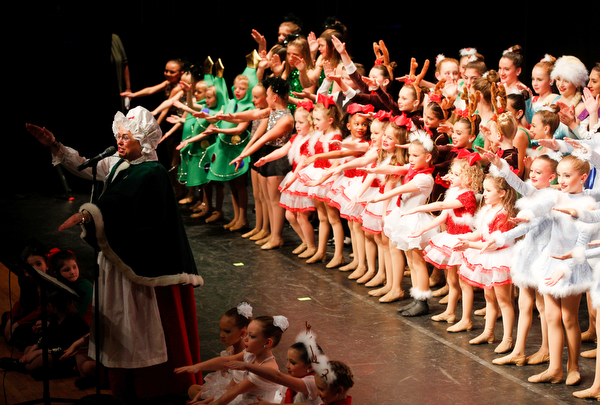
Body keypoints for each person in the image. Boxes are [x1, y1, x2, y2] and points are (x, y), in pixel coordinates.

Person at [25, 106, 204, 404]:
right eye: (118, 136)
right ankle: (123, 384)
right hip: (116, 259)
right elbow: (83, 165)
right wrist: (54, 145)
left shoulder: (152, 170)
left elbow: (123, 200)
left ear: (143, 141)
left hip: (139, 264)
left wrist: (87, 215)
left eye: (126, 137)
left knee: (139, 321)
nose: (119, 141)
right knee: (118, 319)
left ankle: (152, 388)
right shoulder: (120, 164)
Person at [484, 153, 559, 366]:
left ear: (552, 177)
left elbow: (530, 222)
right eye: (532, 170)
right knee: (524, 303)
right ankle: (519, 350)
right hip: (528, 252)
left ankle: (546, 350)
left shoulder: (551, 197)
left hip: (542, 254)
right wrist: (499, 164)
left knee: (543, 306)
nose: (533, 175)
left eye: (539, 172)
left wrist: (502, 237)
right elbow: (516, 182)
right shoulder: (534, 192)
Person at [402, 157, 483, 324]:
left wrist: (417, 208)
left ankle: (466, 319)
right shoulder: (454, 192)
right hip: (451, 239)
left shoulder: (467, 196)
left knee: (464, 284)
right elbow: (443, 217)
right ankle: (450, 312)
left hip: (463, 241)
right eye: (451, 172)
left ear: (468, 179)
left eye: (455, 174)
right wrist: (422, 230)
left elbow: (440, 207)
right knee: (451, 280)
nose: (450, 176)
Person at [371, 131, 439, 313]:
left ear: (428, 157)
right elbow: (394, 170)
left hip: (414, 220)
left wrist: (380, 198)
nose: (411, 159)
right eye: (410, 155)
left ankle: (423, 301)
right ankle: (417, 298)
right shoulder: (413, 171)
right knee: (410, 259)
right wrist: (374, 170)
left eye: (415, 155)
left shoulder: (425, 178)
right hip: (405, 217)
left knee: (417, 262)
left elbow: (401, 188)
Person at [453, 174, 517, 353]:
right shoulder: (488, 209)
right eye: (484, 189)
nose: (484, 194)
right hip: (485, 253)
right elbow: (481, 233)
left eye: (488, 190)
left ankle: (508, 338)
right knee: (489, 297)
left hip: (498, 256)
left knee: (504, 300)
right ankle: (488, 332)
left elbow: (495, 244)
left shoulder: (503, 213)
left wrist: (469, 244)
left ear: (503, 193)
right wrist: (463, 238)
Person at [230, 76, 295, 250]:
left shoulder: (286, 118)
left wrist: (242, 155)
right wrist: (229, 116)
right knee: (266, 197)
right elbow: (253, 114)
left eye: (267, 95)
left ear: (274, 97)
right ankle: (268, 232)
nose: (265, 99)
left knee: (275, 200)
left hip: (278, 157)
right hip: (267, 154)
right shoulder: (272, 112)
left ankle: (276, 236)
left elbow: (263, 138)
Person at [175, 315, 288, 405]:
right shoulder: (250, 354)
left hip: (253, 402)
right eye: (247, 333)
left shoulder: (268, 368)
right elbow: (225, 361)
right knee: (195, 391)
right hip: (241, 396)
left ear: (267, 342)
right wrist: (198, 366)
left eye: (252, 336)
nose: (246, 338)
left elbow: (236, 390)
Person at [0, 289, 89, 381]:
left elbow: (65, 347)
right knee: (28, 349)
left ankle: (20, 366)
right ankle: (38, 369)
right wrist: (32, 351)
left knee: (42, 359)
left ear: (51, 305)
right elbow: (46, 335)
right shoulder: (56, 317)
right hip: (54, 348)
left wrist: (39, 352)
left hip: (68, 355)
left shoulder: (73, 321)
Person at [224, 326, 323, 405]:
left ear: (310, 367)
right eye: (287, 361)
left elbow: (277, 377)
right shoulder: (291, 384)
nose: (287, 366)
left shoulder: (313, 383)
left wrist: (247, 366)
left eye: (293, 363)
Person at [187, 302, 253, 403]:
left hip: (234, 393)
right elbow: (216, 377)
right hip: (222, 388)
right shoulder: (229, 351)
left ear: (242, 333)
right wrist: (198, 397)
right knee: (192, 390)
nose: (221, 335)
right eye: (221, 330)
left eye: (226, 331)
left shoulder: (246, 356)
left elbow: (231, 390)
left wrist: (204, 401)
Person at [47, 249, 93, 325]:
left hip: (82, 325)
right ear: (57, 273)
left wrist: (52, 324)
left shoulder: (85, 285)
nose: (72, 272)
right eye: (67, 270)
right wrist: (48, 321)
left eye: (74, 267)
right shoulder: (60, 284)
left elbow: (78, 314)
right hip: (67, 323)